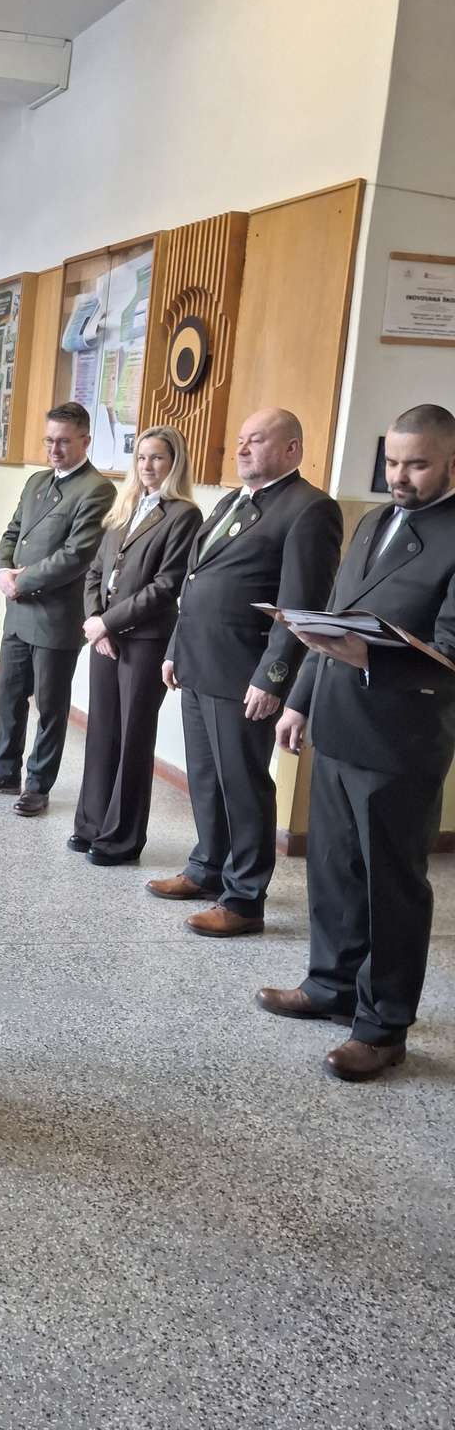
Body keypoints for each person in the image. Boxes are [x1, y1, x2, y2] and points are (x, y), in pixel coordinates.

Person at [258, 404, 455, 1081]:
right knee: (332, 869)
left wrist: (369, 658)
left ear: (451, 462)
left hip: (401, 741)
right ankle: (330, 985)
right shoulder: (372, 521)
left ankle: (382, 1026)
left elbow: (450, 654)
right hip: (338, 722)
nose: (399, 476)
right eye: (392, 461)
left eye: (417, 464)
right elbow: (333, 620)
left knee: (389, 887)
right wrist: (300, 700)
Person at [147, 408, 343, 935]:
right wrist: (175, 649)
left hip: (243, 672)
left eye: (256, 440)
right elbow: (195, 581)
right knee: (205, 779)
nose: (242, 448)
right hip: (198, 663)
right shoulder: (232, 501)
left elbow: (301, 605)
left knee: (243, 785)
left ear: (291, 449)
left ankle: (243, 898)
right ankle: (206, 869)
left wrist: (273, 677)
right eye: (240, 440)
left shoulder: (310, 509)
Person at [0, 403, 114, 816]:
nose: (54, 450)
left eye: (63, 441)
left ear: (85, 441)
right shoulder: (36, 482)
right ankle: (4, 770)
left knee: (50, 705)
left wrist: (21, 581)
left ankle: (38, 784)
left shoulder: (97, 490)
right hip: (18, 612)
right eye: (49, 441)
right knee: (8, 694)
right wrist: (2, 572)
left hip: (56, 617)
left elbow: (77, 555)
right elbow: (13, 532)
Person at [71, 425, 201, 866]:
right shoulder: (125, 506)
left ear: (174, 463)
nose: (147, 466)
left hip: (144, 641)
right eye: (142, 457)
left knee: (132, 738)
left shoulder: (183, 515)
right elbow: (96, 570)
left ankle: (121, 839)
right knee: (101, 731)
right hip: (105, 638)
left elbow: (166, 586)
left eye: (157, 458)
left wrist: (108, 622)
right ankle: (90, 824)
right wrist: (96, 622)